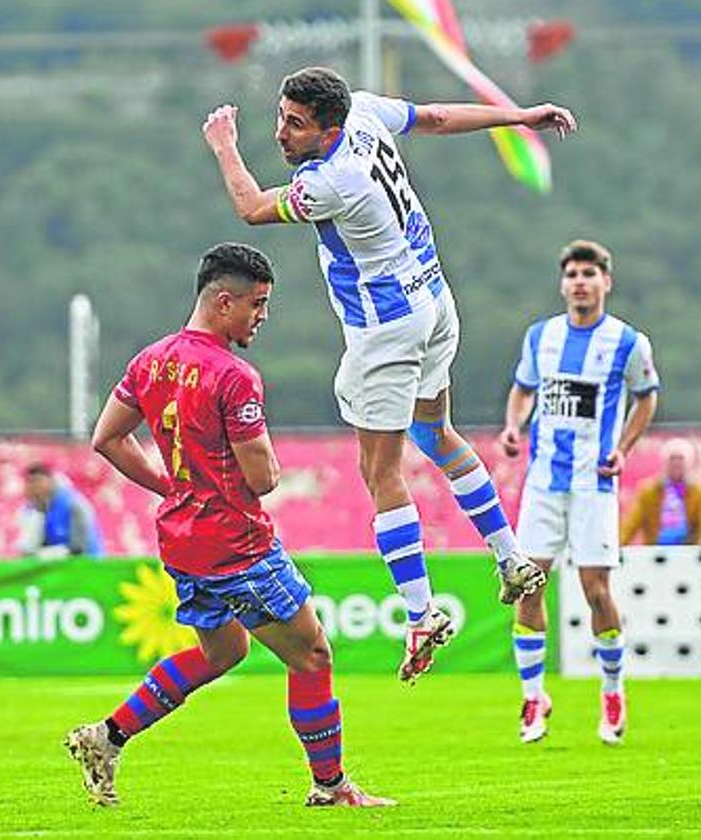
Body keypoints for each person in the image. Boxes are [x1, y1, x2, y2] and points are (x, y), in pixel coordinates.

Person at [202, 66, 572, 681]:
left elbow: (249, 208)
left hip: (387, 330)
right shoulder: (367, 113)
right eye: (281, 119)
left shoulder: (330, 182)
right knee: (436, 433)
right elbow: (435, 118)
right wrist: (519, 115)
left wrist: (223, 145)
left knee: (380, 470)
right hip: (433, 299)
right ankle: (510, 557)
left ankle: (422, 613)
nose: (281, 134)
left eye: (295, 125)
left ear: (329, 127)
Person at [64, 242, 394, 809]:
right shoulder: (233, 376)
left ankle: (107, 736)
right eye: (257, 305)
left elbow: (107, 438)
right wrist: (261, 464)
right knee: (312, 655)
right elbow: (262, 477)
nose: (262, 317)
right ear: (223, 302)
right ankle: (331, 786)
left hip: (183, 541)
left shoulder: (151, 360)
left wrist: (172, 486)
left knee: (223, 654)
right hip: (237, 544)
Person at [497, 239, 660, 745]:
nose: (580, 283)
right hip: (543, 483)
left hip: (594, 485)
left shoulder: (628, 342)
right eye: (572, 275)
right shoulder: (540, 337)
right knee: (529, 587)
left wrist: (624, 448)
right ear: (563, 284)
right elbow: (524, 387)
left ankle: (612, 689)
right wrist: (512, 426)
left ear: (605, 282)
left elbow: (646, 396)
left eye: (589, 274)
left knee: (595, 591)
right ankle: (532, 697)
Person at [620, 437, 701, 545]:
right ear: (664, 462)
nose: (676, 463)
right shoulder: (648, 490)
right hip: (656, 550)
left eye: (681, 459)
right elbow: (630, 523)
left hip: (689, 550)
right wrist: (619, 544)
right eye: (672, 459)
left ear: (690, 463)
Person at [15, 462, 104, 559]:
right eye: (29, 482)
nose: (34, 487)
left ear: (50, 481)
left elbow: (79, 547)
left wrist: (42, 554)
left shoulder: (74, 504)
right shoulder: (31, 509)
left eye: (37, 481)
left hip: (86, 565)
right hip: (56, 566)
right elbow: (28, 548)